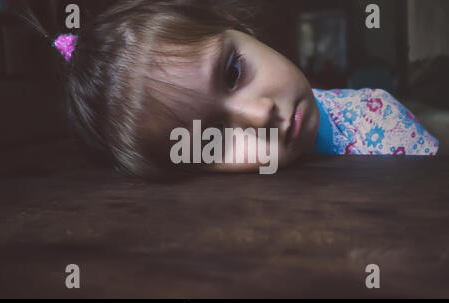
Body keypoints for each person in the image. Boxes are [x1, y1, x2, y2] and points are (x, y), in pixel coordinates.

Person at [27, 0, 439, 179]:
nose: (259, 115)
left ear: (237, 27)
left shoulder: (383, 120)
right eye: (216, 138)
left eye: (233, 72)